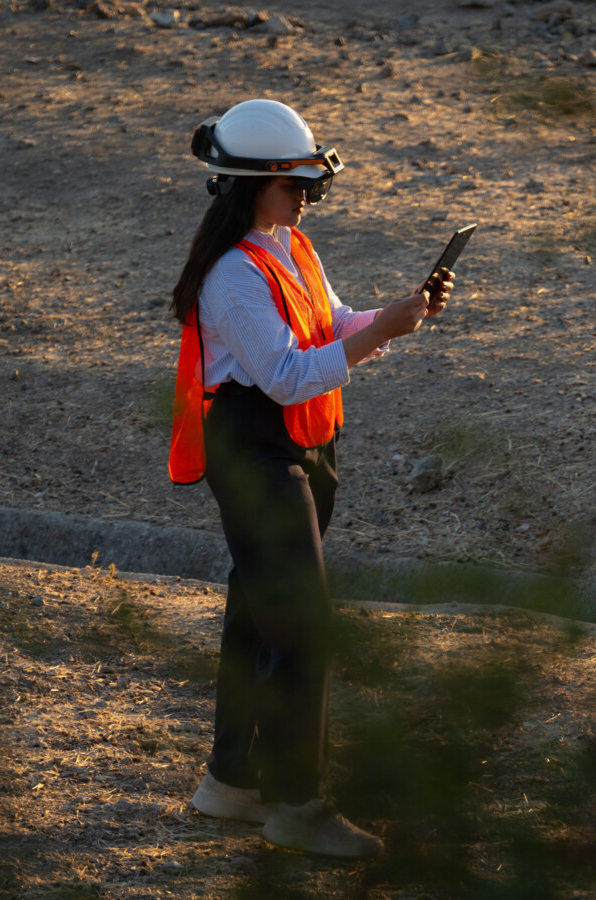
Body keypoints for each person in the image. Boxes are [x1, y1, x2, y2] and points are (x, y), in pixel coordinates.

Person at [165, 99, 451, 858]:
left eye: (309, 187)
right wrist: (380, 333)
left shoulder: (288, 249)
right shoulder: (231, 276)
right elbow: (287, 375)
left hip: (296, 448)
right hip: (258, 451)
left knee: (258, 615)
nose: (306, 197)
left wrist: (395, 315)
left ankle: (230, 784)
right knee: (303, 623)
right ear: (249, 186)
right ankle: (297, 804)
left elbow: (330, 325)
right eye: (295, 186)